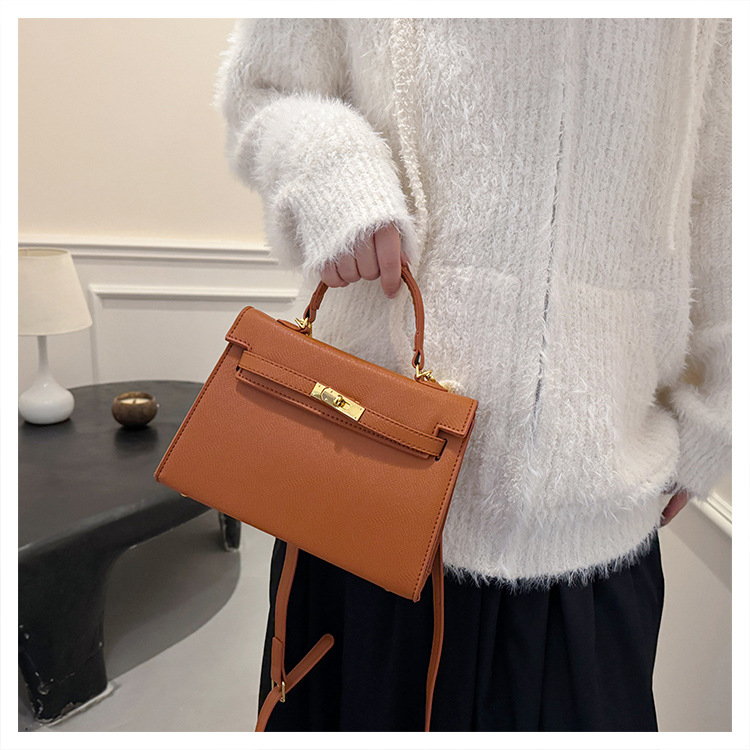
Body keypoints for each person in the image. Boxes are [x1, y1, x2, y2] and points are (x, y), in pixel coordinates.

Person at [212, 18, 731, 731]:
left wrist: (718, 413)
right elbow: (262, 89)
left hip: (598, 528)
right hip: (365, 492)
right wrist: (330, 168)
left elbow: (725, 188)